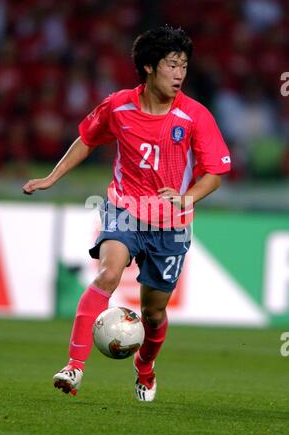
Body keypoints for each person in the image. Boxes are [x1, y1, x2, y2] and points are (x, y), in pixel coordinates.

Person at [23, 26, 231, 402]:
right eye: (172, 65)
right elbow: (87, 139)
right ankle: (74, 366)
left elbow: (215, 172)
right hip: (126, 209)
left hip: (172, 224)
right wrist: (52, 177)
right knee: (108, 274)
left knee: (153, 314)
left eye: (184, 65)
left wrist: (187, 198)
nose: (180, 73)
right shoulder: (118, 105)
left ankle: (146, 369)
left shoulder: (195, 116)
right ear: (150, 67)